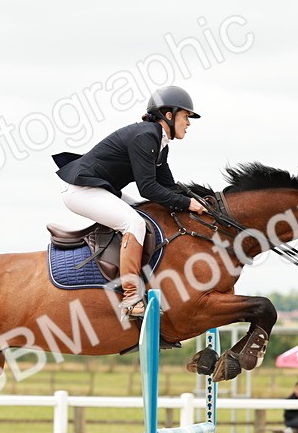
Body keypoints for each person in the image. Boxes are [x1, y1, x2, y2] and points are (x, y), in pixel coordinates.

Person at [53, 85, 209, 319]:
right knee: (134, 224)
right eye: (186, 116)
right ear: (169, 114)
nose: (189, 123)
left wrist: (197, 200)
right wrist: (187, 205)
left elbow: (168, 186)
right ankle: (130, 297)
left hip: (100, 189)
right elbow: (148, 188)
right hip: (81, 190)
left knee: (146, 214)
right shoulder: (145, 137)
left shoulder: (159, 143)